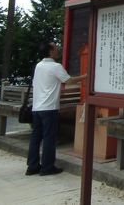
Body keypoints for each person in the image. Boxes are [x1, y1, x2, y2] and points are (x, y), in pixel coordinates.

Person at [26, 41, 86, 176]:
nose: (58, 49)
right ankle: (47, 167)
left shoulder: (38, 66)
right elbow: (68, 80)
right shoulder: (55, 66)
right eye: (55, 48)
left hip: (37, 108)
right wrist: (86, 76)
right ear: (51, 51)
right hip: (49, 108)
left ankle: (32, 166)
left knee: (36, 137)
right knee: (49, 137)